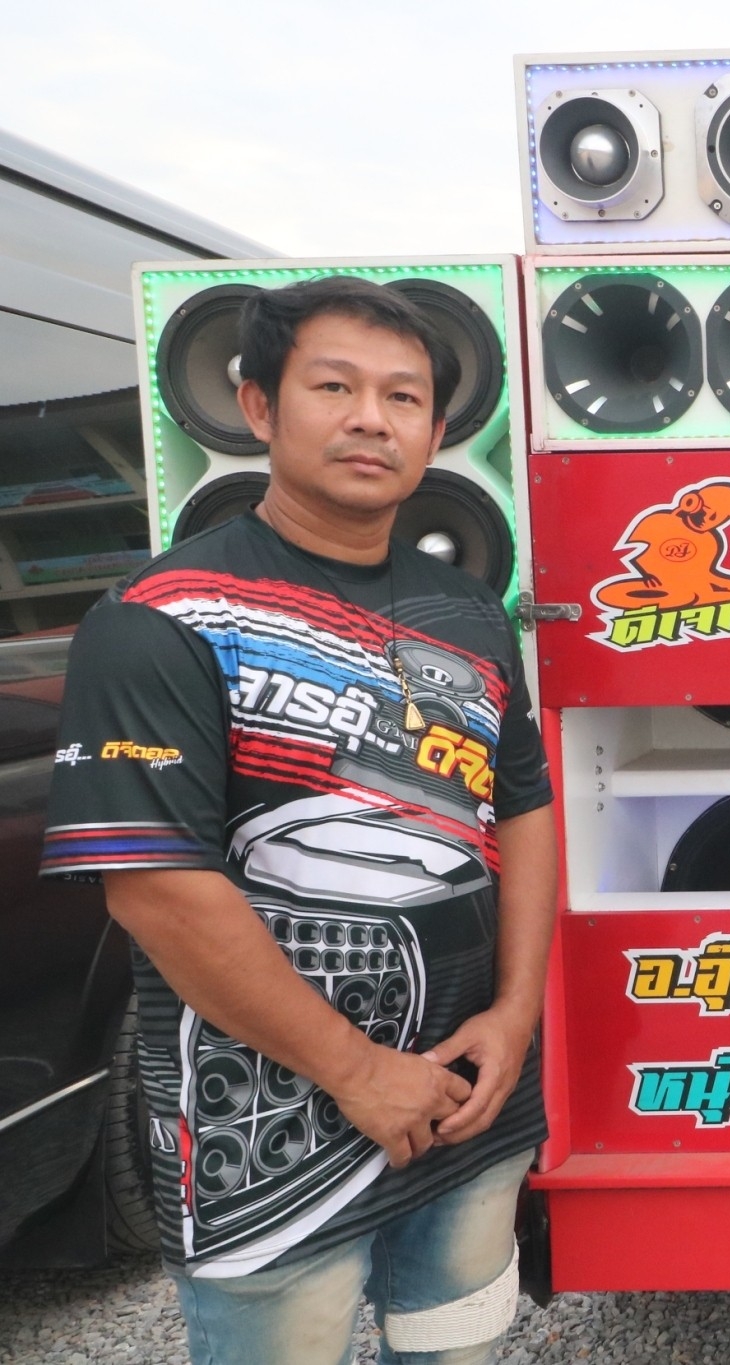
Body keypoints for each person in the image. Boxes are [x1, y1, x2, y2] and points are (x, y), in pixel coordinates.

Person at [40, 276, 556, 1364]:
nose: (372, 418)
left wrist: (515, 1017)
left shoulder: (469, 613)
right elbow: (158, 892)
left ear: (435, 432)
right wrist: (358, 1072)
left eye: (403, 397)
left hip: (469, 1103)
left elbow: (522, 811)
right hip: (267, 1137)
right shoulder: (160, 619)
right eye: (334, 387)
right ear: (259, 407)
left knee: (460, 1343)